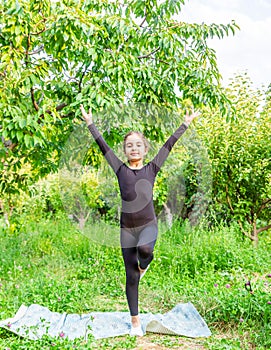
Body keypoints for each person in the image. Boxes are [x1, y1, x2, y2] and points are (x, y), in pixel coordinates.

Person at [80, 105, 199, 336]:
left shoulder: (152, 168)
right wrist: (90, 124)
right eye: (129, 145)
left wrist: (185, 123)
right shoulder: (120, 169)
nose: (134, 148)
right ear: (125, 150)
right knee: (131, 277)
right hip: (126, 229)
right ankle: (135, 322)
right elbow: (103, 147)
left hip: (148, 226)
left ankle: (144, 266)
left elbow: (169, 145)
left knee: (146, 250)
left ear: (145, 149)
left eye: (138, 144)